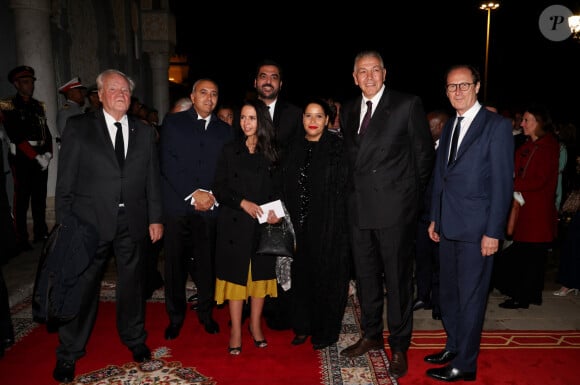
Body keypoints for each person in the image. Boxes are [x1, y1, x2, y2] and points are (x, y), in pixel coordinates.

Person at [52, 69, 163, 383]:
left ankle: (134, 338)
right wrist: (65, 223)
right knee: (82, 286)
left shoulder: (144, 131)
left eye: (126, 90)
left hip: (133, 220)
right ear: (98, 95)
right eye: (113, 89)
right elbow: (65, 181)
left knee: (133, 284)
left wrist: (155, 218)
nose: (121, 94)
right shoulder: (79, 128)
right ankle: (69, 352)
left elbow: (152, 179)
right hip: (88, 222)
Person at [339, 50, 435, 380]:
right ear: (354, 77)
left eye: (374, 70)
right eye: (362, 71)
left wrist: (408, 202)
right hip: (359, 210)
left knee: (396, 282)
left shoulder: (407, 104)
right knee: (366, 279)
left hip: (394, 210)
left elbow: (424, 160)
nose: (368, 76)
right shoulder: (349, 108)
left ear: (384, 73)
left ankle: (399, 346)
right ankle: (369, 335)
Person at [425, 64, 513, 382]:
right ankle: (454, 345)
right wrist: (435, 216)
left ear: (476, 86)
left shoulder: (496, 126)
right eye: (451, 87)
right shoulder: (450, 126)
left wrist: (493, 231)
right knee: (448, 294)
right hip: (448, 226)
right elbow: (441, 176)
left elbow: (502, 185)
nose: (458, 92)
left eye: (464, 85)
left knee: (471, 297)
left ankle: (466, 364)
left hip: (478, 231)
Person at [159, 78, 234, 340]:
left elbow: (227, 169)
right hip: (179, 207)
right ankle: (175, 317)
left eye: (214, 94)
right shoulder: (173, 123)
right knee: (175, 266)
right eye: (203, 93)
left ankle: (206, 313)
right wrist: (194, 194)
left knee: (207, 265)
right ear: (192, 96)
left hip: (210, 208)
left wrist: (211, 195)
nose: (209, 98)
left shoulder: (225, 131)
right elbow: (168, 163)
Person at [213, 98, 281, 355]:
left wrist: (276, 214)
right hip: (234, 225)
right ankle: (236, 331)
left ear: (261, 121)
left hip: (263, 225)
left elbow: (278, 191)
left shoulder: (272, 152)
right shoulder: (229, 150)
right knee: (236, 281)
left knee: (260, 280)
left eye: (252, 118)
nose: (246, 123)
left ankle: (255, 326)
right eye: (243, 117)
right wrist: (242, 202)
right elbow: (219, 188)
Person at [282, 98, 350, 350]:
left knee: (327, 278)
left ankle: (324, 330)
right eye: (308, 116)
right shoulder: (292, 147)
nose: (312, 121)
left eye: (318, 116)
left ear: (327, 120)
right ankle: (302, 326)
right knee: (300, 277)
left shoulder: (338, 149)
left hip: (329, 227)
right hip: (297, 227)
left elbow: (345, 190)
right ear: (302, 119)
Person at [253, 58, 303, 331]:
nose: (268, 80)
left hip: (284, 195)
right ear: (256, 82)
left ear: (280, 84)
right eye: (263, 76)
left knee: (283, 253)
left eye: (273, 76)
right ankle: (254, 310)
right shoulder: (246, 112)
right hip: (252, 195)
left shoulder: (295, 114)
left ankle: (283, 311)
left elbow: (298, 155)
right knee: (256, 255)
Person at [494, 105, 560, 309]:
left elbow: (539, 181)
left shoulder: (548, 147)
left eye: (526, 120)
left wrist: (509, 184)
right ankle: (529, 295)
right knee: (529, 258)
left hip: (536, 213)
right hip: (523, 211)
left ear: (538, 124)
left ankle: (522, 296)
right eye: (522, 120)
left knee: (526, 258)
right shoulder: (525, 146)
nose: (521, 123)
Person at [0, 65, 53, 251]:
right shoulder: (8, 105)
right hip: (22, 157)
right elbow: (15, 135)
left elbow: (46, 132)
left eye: (31, 81)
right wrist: (35, 157)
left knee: (39, 197)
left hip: (40, 155)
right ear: (16, 84)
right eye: (25, 82)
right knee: (21, 199)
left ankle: (40, 232)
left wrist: (48, 154)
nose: (30, 85)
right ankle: (20, 238)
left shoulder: (38, 106)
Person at [413, 109, 449, 321]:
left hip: (441, 216)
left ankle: (439, 303)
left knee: (439, 262)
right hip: (422, 215)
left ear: (441, 127)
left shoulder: (449, 150)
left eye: (430, 126)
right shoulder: (424, 148)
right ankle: (423, 296)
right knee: (422, 258)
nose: (425, 130)